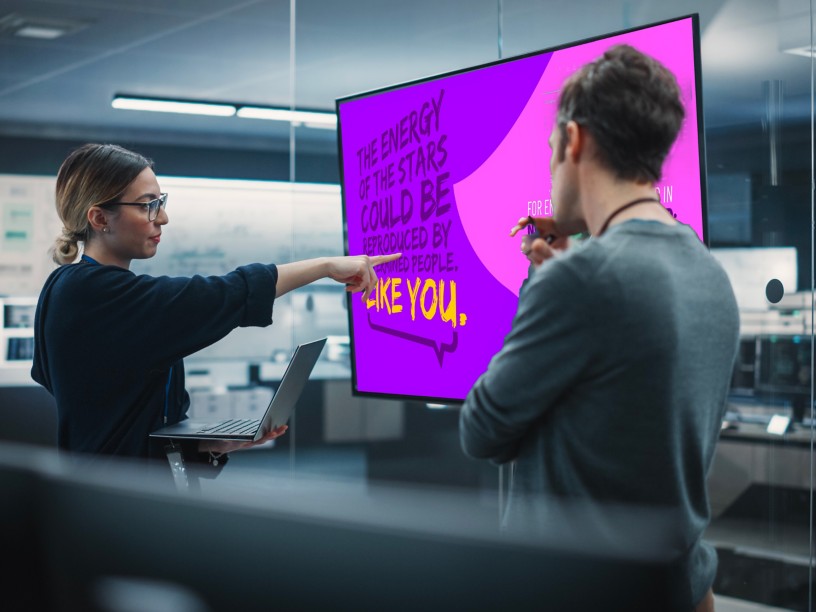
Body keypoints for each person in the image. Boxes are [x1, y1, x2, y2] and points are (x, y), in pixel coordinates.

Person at [459, 45, 739, 612]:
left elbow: (481, 430)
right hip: (678, 590)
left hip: (576, 591)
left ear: (574, 141)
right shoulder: (709, 274)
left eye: (549, 152)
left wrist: (543, 281)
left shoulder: (582, 281)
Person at [31, 143, 399, 475]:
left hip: (133, 494)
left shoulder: (71, 288)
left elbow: (119, 411)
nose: (162, 219)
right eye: (148, 206)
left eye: (162, 202)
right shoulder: (93, 292)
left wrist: (211, 444)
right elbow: (226, 294)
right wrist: (324, 266)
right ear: (99, 218)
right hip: (115, 503)